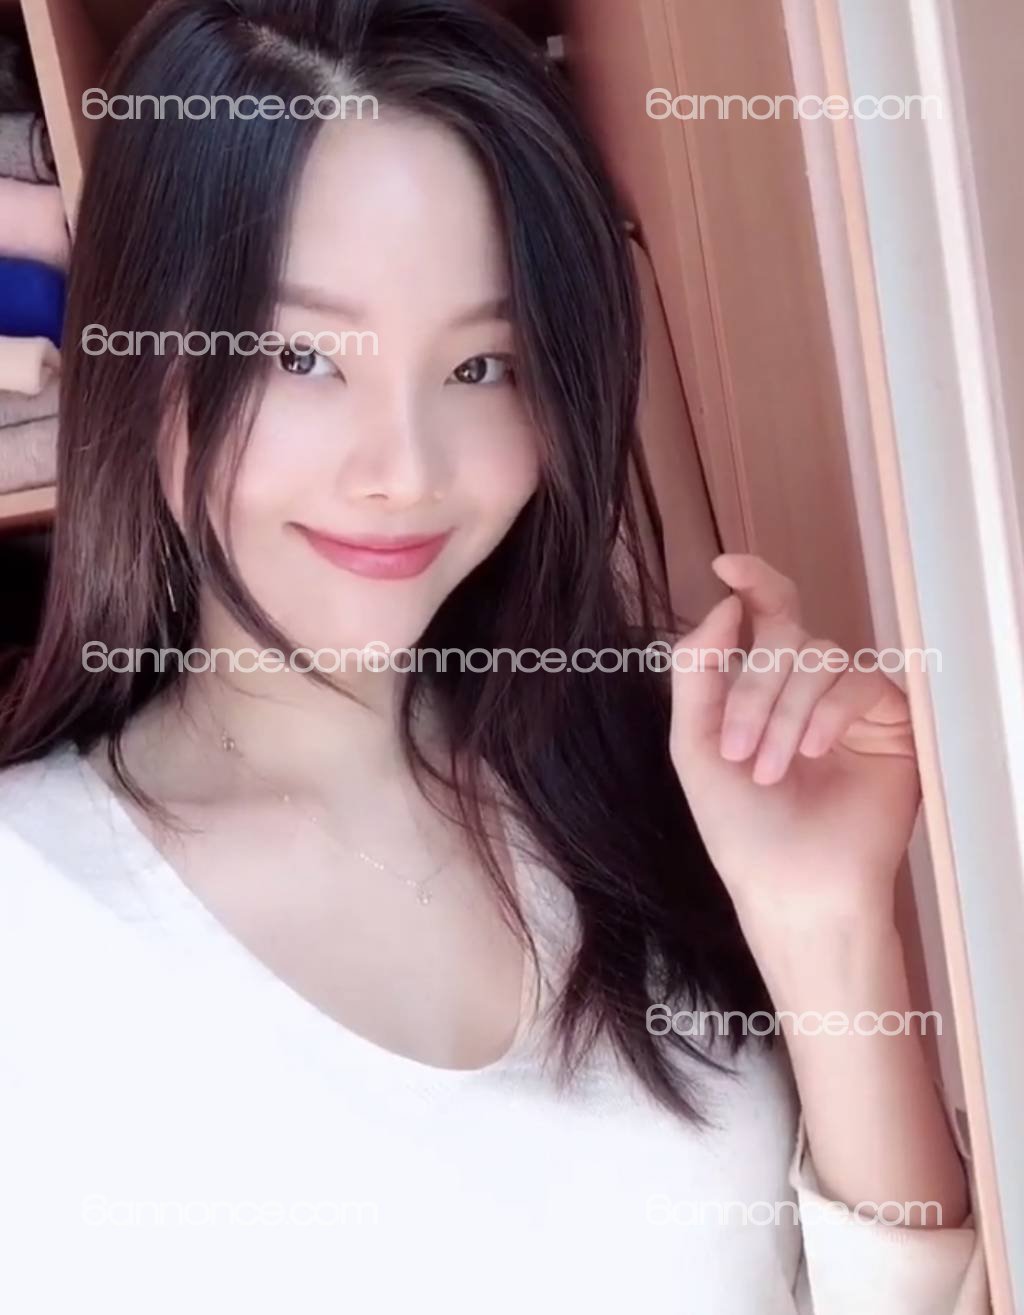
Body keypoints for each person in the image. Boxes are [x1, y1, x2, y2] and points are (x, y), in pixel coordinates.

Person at [0, 1, 987, 1310]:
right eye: (301, 355)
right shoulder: (35, 909)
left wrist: (830, 925)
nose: (406, 469)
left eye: (481, 367)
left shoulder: (660, 777)